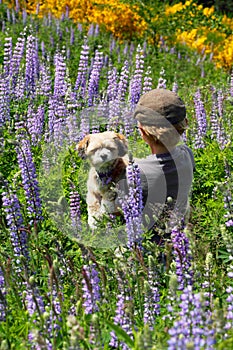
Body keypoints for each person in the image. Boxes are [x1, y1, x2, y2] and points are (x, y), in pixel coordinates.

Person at [118, 88, 195, 243]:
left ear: (142, 132)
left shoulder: (136, 172)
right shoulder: (187, 155)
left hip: (146, 250)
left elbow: (117, 208)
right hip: (179, 244)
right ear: (184, 125)